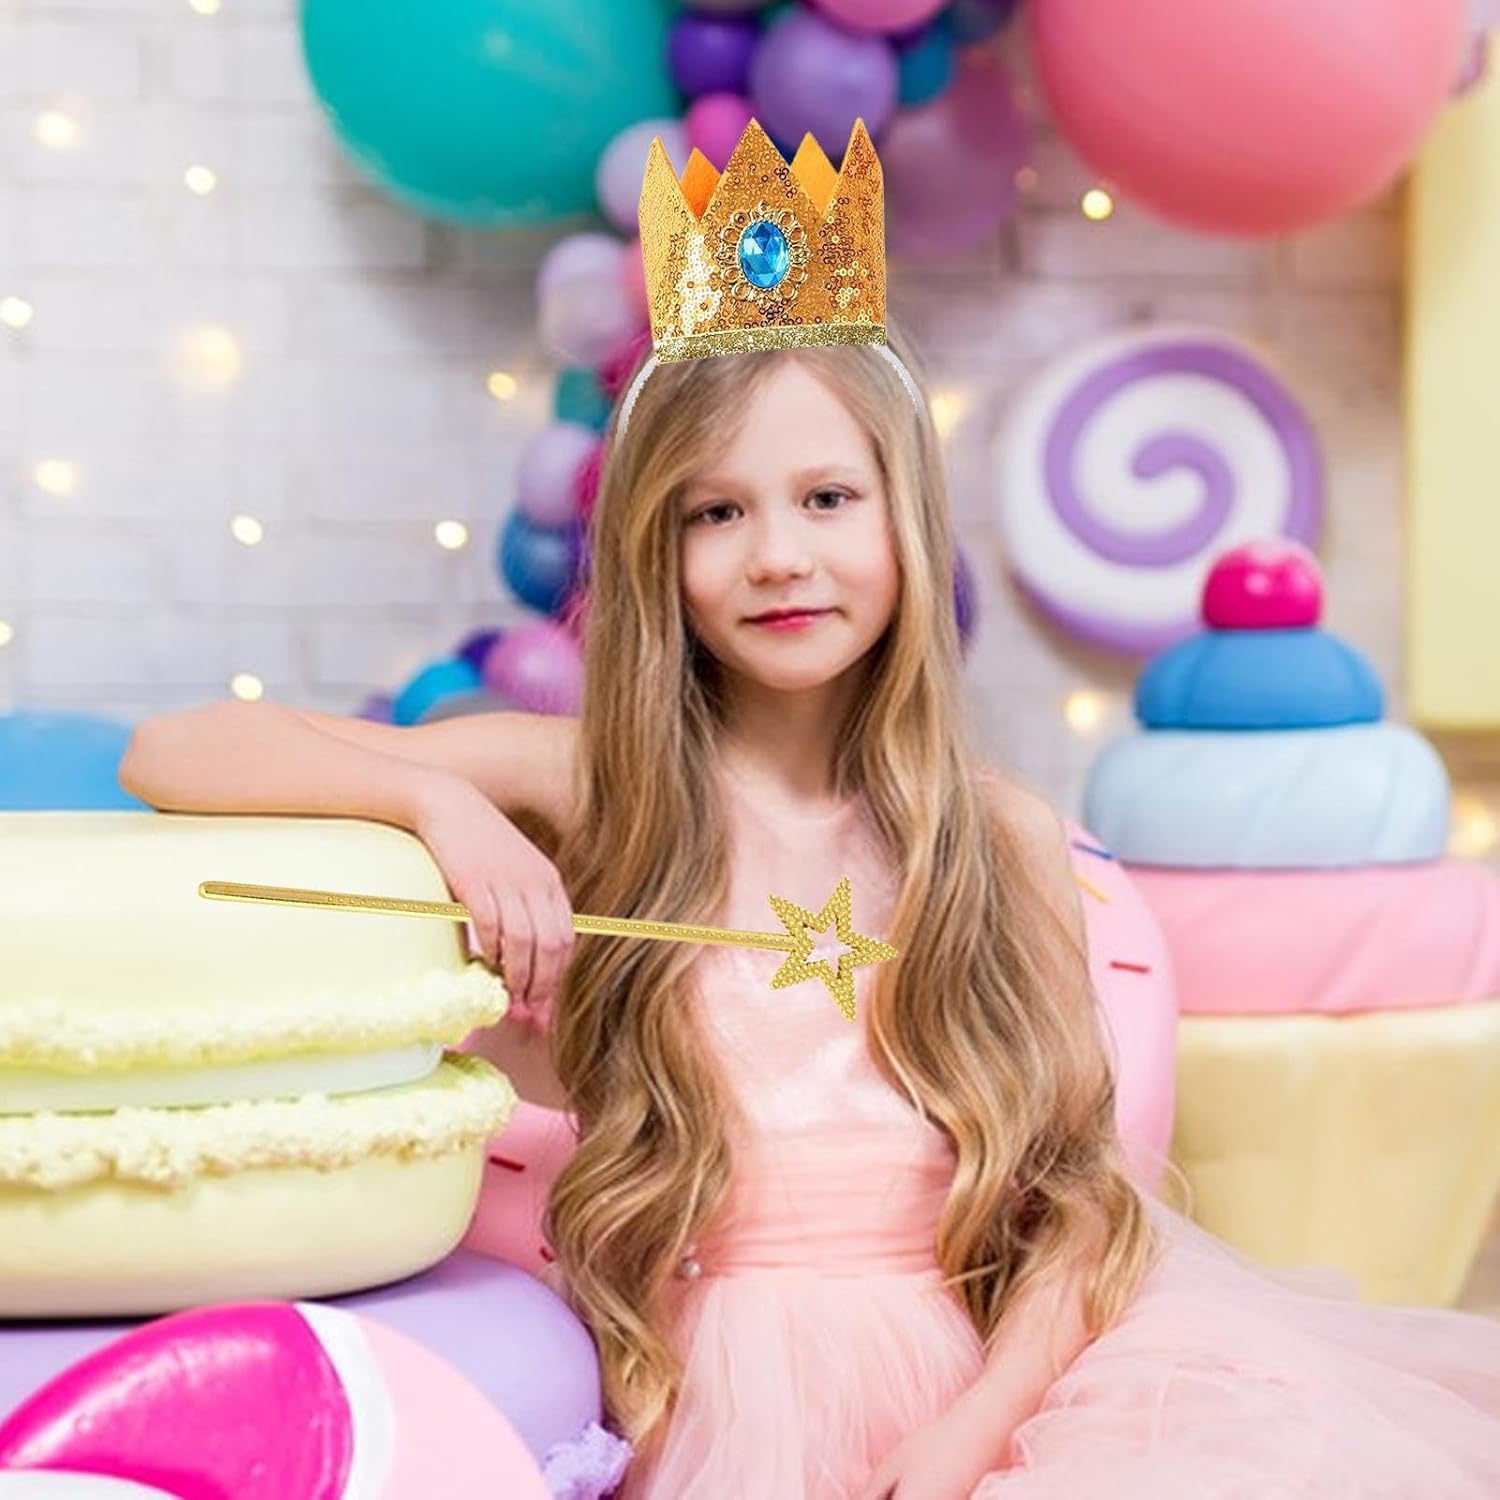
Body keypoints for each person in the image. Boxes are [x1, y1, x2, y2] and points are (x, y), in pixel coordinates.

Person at [121, 120, 1500, 1499]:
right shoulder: (595, 778)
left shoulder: (996, 837)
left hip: (976, 1406)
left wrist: (973, 1437)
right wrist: (438, 799)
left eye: (827, 498)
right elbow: (178, 751)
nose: (779, 556)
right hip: (705, 1409)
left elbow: (1085, 1203)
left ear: (904, 519)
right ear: (656, 551)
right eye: (716, 514)